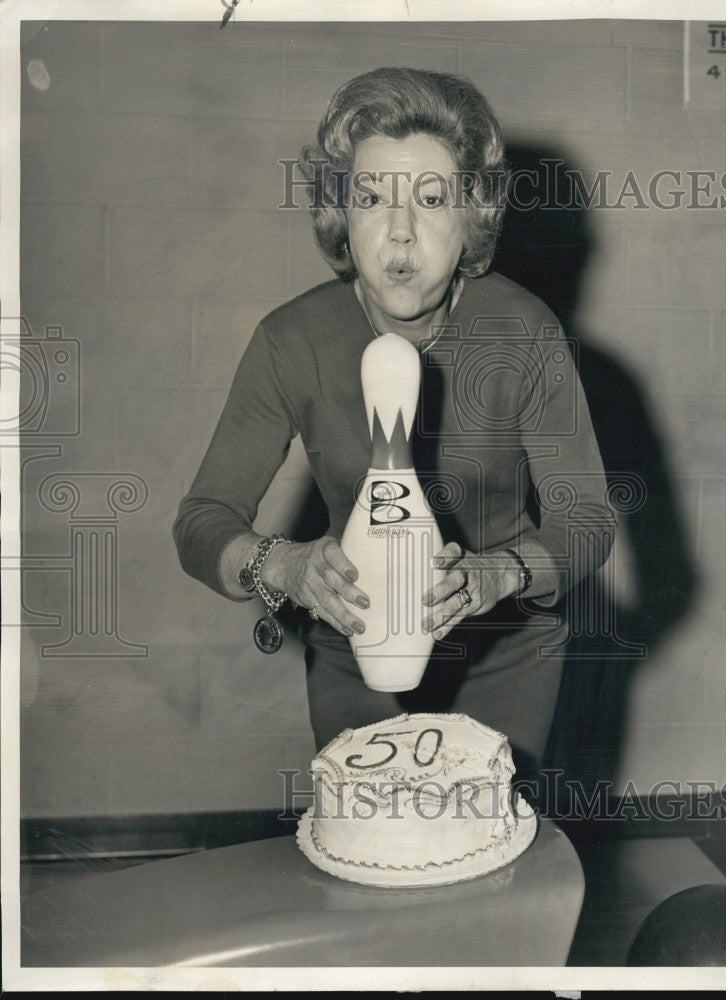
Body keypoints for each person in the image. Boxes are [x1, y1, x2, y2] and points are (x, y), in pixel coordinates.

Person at [173, 67, 615, 786]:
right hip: (356, 650)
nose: (400, 232)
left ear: (471, 215)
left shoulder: (525, 330)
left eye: (432, 200)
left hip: (507, 648)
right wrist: (280, 566)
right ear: (340, 214)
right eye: (372, 198)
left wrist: (498, 571)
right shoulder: (293, 340)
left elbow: (589, 519)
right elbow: (201, 523)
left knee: (488, 864)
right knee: (374, 868)